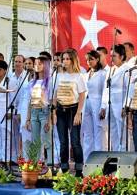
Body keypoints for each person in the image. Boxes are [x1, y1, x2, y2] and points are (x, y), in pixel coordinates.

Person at [52, 49, 87, 177]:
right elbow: (55, 94)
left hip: (73, 110)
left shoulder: (78, 76)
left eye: (67, 59)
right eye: (63, 59)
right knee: (63, 141)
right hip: (61, 110)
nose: (65, 61)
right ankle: (64, 169)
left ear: (73, 60)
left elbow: (82, 95)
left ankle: (79, 170)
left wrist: (79, 113)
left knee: (75, 141)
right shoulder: (58, 75)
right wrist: (54, 112)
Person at [101, 44, 132, 151]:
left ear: (122, 57)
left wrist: (126, 106)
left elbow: (129, 90)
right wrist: (103, 106)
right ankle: (115, 155)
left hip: (120, 106)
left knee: (122, 134)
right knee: (113, 133)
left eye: (114, 56)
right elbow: (106, 89)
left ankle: (123, 156)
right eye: (110, 56)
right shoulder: (110, 70)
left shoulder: (127, 70)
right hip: (110, 106)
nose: (111, 59)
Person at [26, 56, 53, 164]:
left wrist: (49, 120)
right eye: (36, 63)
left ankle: (50, 165)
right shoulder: (31, 82)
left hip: (44, 112)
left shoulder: (49, 82)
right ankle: (35, 165)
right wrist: (28, 119)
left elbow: (51, 102)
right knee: (35, 140)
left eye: (40, 64)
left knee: (46, 140)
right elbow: (30, 101)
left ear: (45, 66)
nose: (37, 66)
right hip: (34, 112)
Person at [81, 50, 106, 162]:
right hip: (86, 105)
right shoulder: (86, 75)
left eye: (91, 59)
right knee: (87, 134)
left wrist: (103, 107)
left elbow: (105, 92)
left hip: (97, 104)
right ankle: (87, 161)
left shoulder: (103, 74)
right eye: (87, 59)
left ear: (97, 59)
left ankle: (99, 163)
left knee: (98, 133)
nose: (89, 62)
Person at [8, 55, 28, 162]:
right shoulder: (10, 77)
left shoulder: (27, 77)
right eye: (16, 61)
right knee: (14, 135)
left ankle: (25, 158)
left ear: (23, 63)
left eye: (20, 61)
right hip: (12, 110)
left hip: (23, 110)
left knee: (23, 135)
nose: (17, 63)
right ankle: (14, 159)